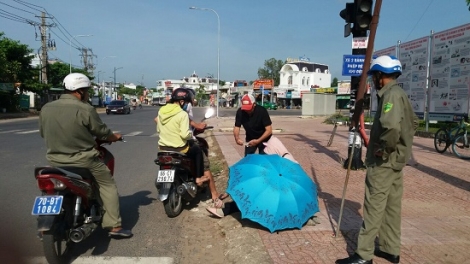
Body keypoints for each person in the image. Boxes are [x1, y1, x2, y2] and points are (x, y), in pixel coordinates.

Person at [336, 55, 418, 264]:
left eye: (375, 75)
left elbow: (391, 127)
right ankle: (390, 249)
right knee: (392, 206)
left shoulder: (390, 96)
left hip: (384, 162)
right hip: (396, 161)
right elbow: (413, 122)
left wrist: (383, 149)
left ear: (381, 75)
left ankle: (364, 255)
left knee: (374, 206)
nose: (373, 79)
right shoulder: (399, 94)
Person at [39, 73, 132, 238]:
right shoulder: (85, 109)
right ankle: (114, 225)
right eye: (87, 91)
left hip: (55, 160)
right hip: (85, 160)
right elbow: (101, 132)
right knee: (107, 185)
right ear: (79, 91)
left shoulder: (46, 108)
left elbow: (42, 133)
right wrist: (114, 137)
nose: (88, 94)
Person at [155, 88, 206, 187]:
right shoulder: (182, 114)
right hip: (179, 148)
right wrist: (190, 135)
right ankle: (199, 178)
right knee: (197, 150)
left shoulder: (161, 111)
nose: (187, 105)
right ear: (181, 101)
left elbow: (158, 129)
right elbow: (184, 135)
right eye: (187, 102)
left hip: (163, 148)